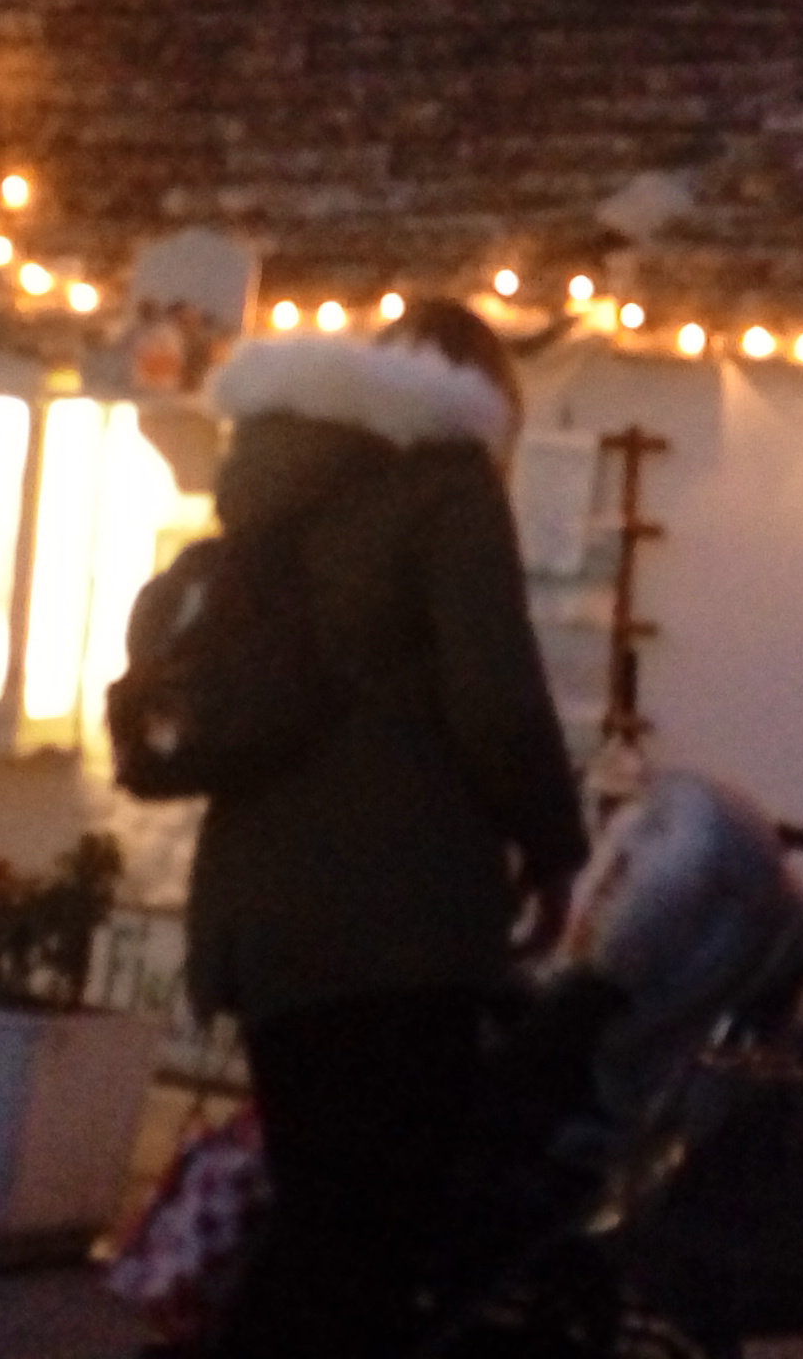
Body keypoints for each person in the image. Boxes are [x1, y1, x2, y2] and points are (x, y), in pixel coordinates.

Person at [186, 299, 587, 1359]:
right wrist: (555, 849)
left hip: (260, 914)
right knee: (368, 1240)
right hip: (396, 922)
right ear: (481, 400)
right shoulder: (444, 483)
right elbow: (495, 702)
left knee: (315, 1217)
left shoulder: (277, 478)